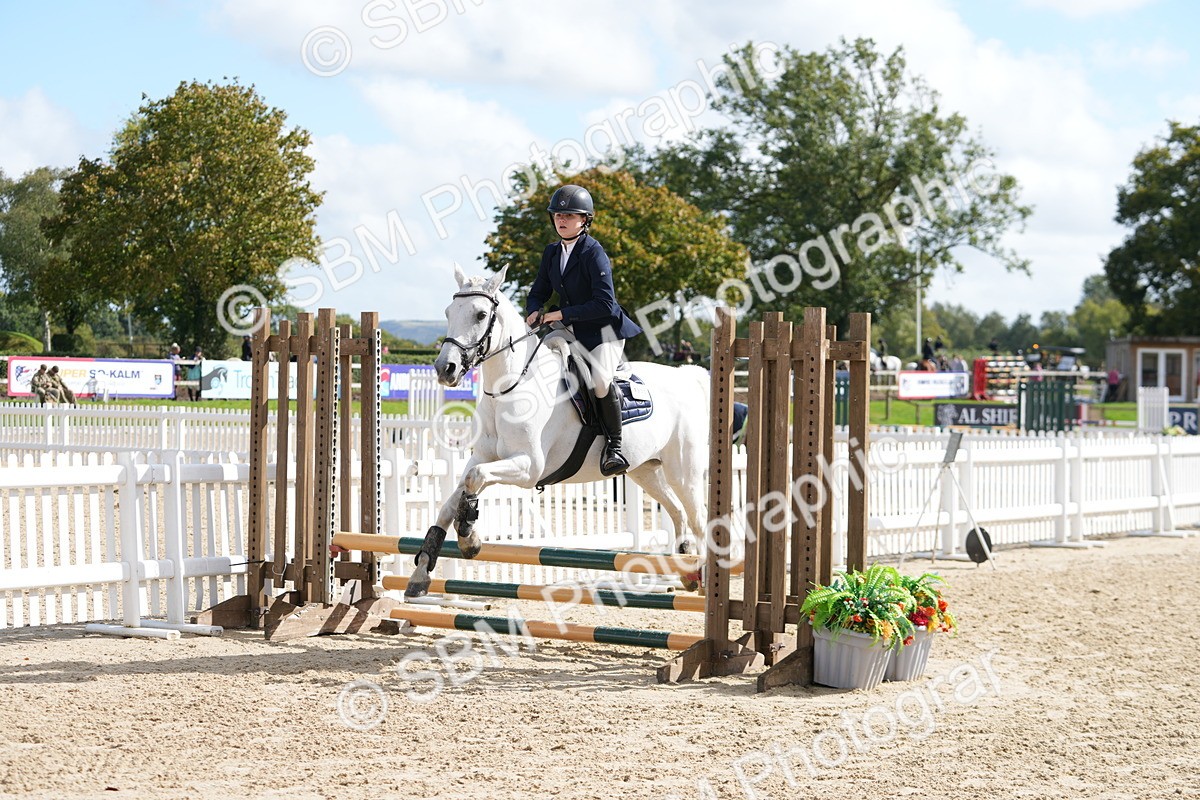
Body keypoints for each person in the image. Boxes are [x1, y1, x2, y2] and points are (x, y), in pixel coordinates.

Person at [524, 184, 642, 476]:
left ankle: (614, 446)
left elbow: (604, 303)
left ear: (585, 219)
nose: (561, 219)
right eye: (557, 214)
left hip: (604, 331)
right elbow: (538, 290)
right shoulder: (552, 253)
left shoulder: (594, 252)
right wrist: (533, 311)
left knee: (600, 381)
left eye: (569, 215)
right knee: (536, 359)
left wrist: (560, 313)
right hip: (571, 330)